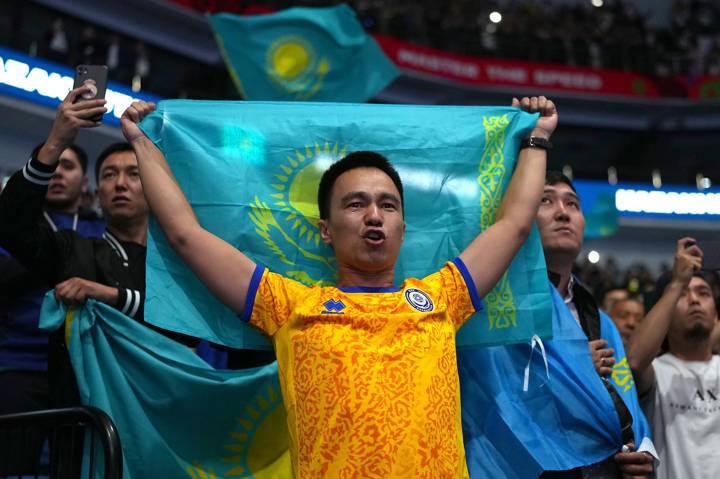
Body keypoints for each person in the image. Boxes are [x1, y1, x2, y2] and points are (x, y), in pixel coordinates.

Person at [122, 96, 555, 477]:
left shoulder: (443, 297)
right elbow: (185, 234)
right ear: (325, 231)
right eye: (356, 203)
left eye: (387, 205)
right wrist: (143, 143)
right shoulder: (288, 306)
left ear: (402, 229)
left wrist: (536, 140)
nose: (373, 215)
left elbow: (514, 225)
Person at [537, 171, 654, 478]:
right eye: (546, 200)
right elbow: (501, 393)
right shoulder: (501, 311)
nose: (563, 212)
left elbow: (625, 395)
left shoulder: (601, 321)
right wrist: (573, 368)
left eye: (573, 204)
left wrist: (642, 449)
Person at [0, 142, 103, 475]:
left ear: (84, 182)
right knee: (10, 465)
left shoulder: (99, 230)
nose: (58, 172)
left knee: (74, 466)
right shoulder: (13, 227)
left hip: (81, 366)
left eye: (69, 166)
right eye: (53, 165)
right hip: (18, 362)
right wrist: (61, 261)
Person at [627, 239, 720, 479]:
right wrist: (677, 282)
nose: (695, 300)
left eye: (703, 293)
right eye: (683, 295)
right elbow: (634, 360)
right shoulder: (656, 371)